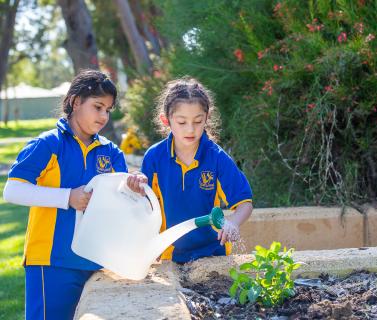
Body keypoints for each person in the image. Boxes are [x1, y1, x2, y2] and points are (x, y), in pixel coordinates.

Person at [3, 70, 127, 320]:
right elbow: (12, 190)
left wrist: (132, 187)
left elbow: (120, 200)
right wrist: (67, 197)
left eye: (108, 110)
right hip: (52, 261)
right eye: (98, 107)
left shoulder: (111, 152)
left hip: (97, 261)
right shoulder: (48, 144)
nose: (104, 116)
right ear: (75, 102)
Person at [127, 77, 253, 263]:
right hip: (169, 255)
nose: (190, 129)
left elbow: (245, 204)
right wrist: (136, 184)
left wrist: (233, 223)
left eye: (198, 121)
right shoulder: (154, 157)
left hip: (213, 253)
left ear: (206, 118)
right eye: (182, 122)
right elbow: (144, 205)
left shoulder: (217, 158)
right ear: (166, 120)